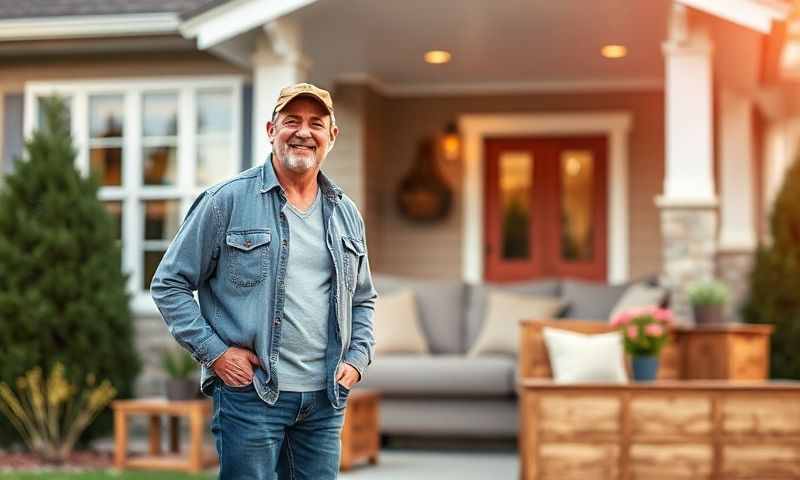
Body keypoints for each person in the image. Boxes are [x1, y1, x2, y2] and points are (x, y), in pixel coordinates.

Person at [151, 82, 377, 479]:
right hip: (251, 396)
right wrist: (216, 354)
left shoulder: (346, 213)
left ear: (332, 136)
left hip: (325, 401)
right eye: (291, 121)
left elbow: (362, 298)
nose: (303, 132)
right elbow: (169, 284)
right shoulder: (226, 201)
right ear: (271, 130)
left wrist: (357, 360)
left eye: (316, 123)